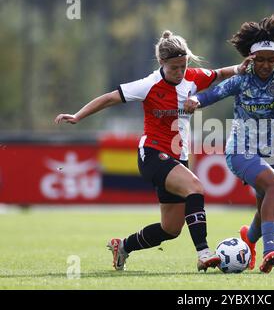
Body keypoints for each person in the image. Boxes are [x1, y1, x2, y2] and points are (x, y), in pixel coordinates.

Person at [54, 30, 253, 272]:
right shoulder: (148, 85)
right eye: (174, 68)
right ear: (161, 63)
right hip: (152, 154)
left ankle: (123, 246)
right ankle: (204, 253)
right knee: (196, 188)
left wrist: (239, 69)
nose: (180, 72)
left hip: (178, 157)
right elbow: (108, 99)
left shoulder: (194, 77)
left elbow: (219, 73)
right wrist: (77, 115)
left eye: (183, 66)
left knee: (170, 229)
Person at [184, 16, 274, 273]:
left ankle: (248, 239)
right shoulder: (242, 77)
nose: (265, 65)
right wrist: (196, 100)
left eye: (270, 60)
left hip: (273, 152)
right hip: (241, 150)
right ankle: (270, 251)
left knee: (266, 208)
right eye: (259, 59)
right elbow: (215, 93)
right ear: (250, 57)